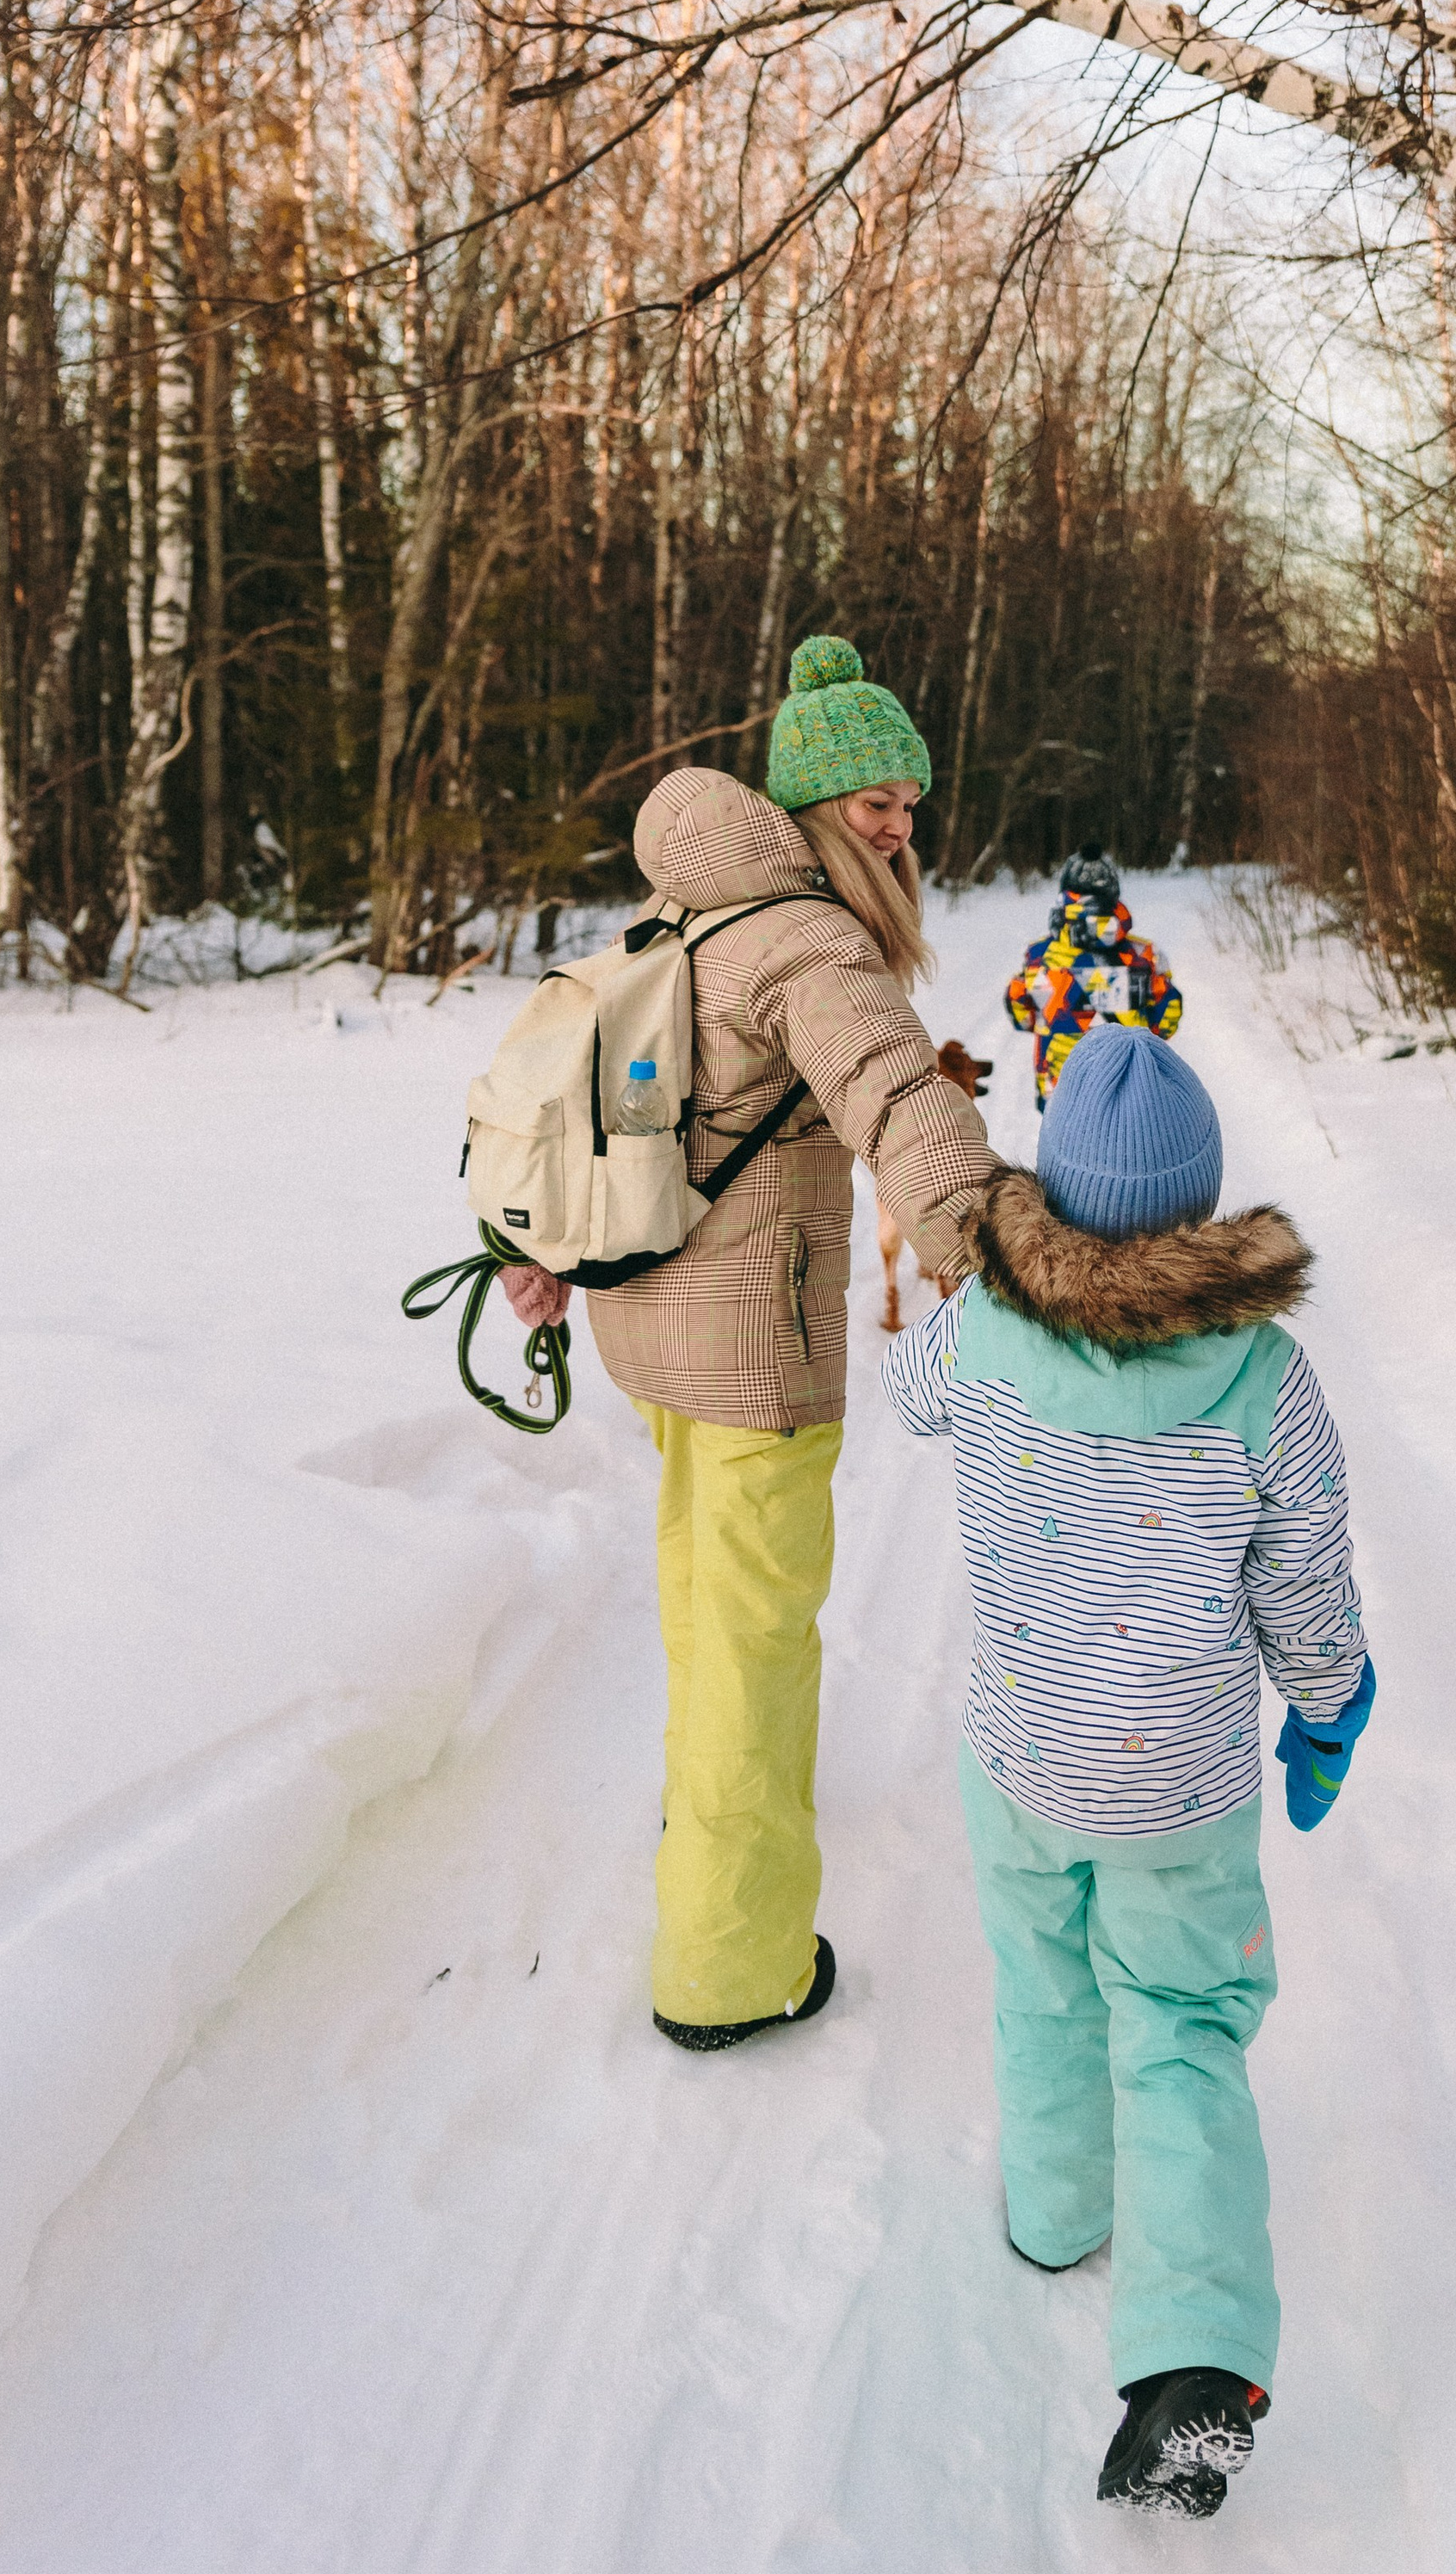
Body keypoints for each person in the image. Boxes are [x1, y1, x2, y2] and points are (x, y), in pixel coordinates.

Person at [880, 1023, 1373, 2520]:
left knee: (1042, 1982)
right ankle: (1198, 2353)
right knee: (1180, 2023)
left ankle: (1055, 2215)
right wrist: (1331, 1702)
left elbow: (907, 1396)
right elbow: (1307, 1578)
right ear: (1204, 1208)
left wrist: (969, 1286)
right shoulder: (1264, 1379)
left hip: (1023, 1756)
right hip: (1181, 1791)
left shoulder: (982, 1330)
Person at [499, 636, 995, 2051]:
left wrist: (547, 1246)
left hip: (651, 1328)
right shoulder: (810, 940)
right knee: (756, 1641)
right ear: (808, 799)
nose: (897, 821)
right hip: (750, 1357)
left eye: (909, 795)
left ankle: (703, 1812)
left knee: (701, 1601)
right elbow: (895, 1095)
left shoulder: (684, 917)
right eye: (870, 797)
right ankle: (730, 1962)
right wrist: (994, 1247)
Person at [1006, 849, 1182, 1108]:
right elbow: (1168, 1017)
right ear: (1113, 893)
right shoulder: (1146, 955)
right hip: (1132, 1090)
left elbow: (1020, 1011)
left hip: (1062, 1094)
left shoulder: (1038, 956)